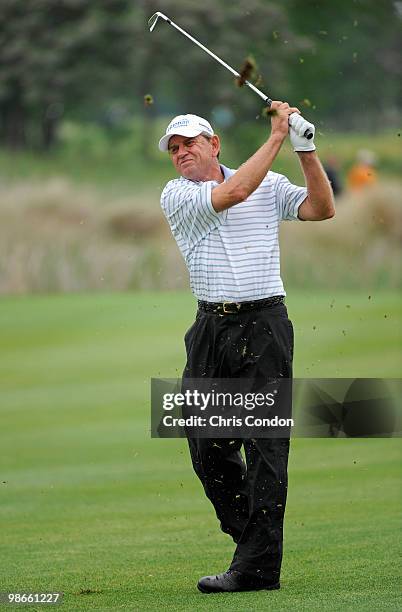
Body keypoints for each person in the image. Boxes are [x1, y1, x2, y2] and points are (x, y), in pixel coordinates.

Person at [158, 104, 334, 594]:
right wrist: (278, 132)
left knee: (264, 447)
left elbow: (322, 208)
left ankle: (256, 565)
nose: (181, 153)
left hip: (265, 326)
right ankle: (254, 542)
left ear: (214, 144)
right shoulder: (177, 195)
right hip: (211, 329)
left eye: (189, 143)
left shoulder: (270, 182)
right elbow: (234, 193)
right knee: (205, 446)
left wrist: (306, 149)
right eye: (174, 148)